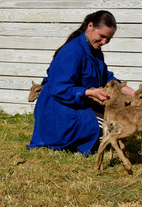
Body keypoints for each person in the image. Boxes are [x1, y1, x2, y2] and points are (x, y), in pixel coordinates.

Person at [28, 10, 134, 156]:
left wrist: (135, 95)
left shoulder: (95, 50)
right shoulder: (72, 51)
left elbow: (107, 78)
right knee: (109, 129)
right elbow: (59, 88)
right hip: (58, 108)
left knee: (120, 122)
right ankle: (66, 138)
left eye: (108, 39)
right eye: (102, 36)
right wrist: (89, 92)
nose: (104, 42)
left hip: (80, 102)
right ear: (90, 26)